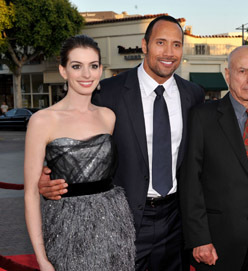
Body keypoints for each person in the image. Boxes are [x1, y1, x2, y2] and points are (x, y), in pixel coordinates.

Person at [38, 16, 204, 271]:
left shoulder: (193, 94)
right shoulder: (108, 92)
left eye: (176, 44)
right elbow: (70, 136)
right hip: (121, 220)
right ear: (145, 45)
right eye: (161, 42)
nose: (169, 52)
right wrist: (47, 175)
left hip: (176, 221)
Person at [24, 35, 135, 271]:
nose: (86, 74)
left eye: (93, 66)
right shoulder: (42, 120)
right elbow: (31, 195)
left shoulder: (108, 116)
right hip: (65, 229)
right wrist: (42, 259)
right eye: (77, 66)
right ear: (63, 71)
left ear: (100, 69)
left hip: (113, 225)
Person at [180, 45, 248, 271]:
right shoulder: (202, 117)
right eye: (242, 71)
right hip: (217, 246)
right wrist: (199, 238)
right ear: (227, 75)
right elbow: (191, 182)